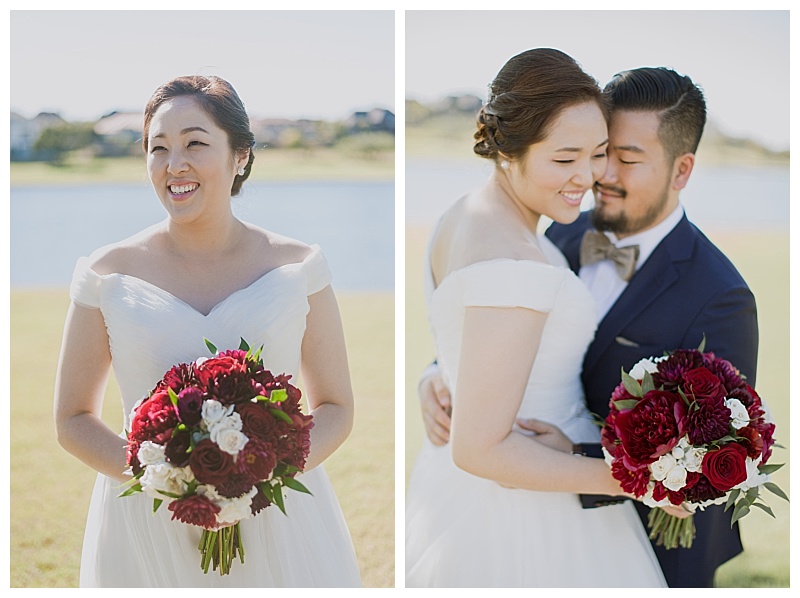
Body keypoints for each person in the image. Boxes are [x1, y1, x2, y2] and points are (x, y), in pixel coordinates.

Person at [416, 66, 758, 588]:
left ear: (682, 170)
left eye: (622, 159)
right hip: (518, 515)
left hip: (650, 538)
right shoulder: (561, 231)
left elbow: (717, 451)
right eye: (596, 153)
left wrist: (589, 459)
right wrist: (440, 373)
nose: (599, 175)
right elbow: (493, 315)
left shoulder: (719, 297)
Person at [54, 75, 362, 587]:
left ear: (239, 154)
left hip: (276, 518)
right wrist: (167, 482)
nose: (175, 164)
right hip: (146, 524)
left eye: (195, 143)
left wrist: (260, 478)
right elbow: (72, 418)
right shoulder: (107, 273)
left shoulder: (299, 266)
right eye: (159, 148)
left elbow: (338, 406)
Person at [405, 48, 666, 588]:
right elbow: (481, 448)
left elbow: (465, 331)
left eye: (597, 154)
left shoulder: (466, 213)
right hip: (529, 512)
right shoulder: (514, 259)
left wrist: (436, 375)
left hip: (469, 493)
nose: (588, 177)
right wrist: (640, 480)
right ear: (509, 148)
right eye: (564, 158)